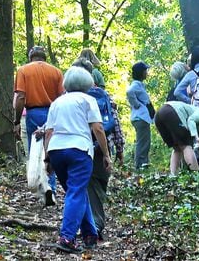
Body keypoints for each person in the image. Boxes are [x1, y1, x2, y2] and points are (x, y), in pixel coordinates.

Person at [43, 66, 112, 254]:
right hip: (79, 150)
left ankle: (90, 234)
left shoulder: (57, 102)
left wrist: (47, 158)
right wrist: (106, 155)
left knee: (77, 192)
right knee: (76, 192)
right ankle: (67, 237)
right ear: (87, 84)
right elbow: (98, 128)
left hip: (57, 150)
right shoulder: (88, 100)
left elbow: (49, 132)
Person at [73, 56, 125, 241]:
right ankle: (95, 224)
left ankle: (91, 225)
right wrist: (118, 149)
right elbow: (115, 123)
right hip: (104, 148)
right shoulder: (103, 95)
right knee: (98, 186)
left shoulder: (69, 98)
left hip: (80, 147)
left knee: (84, 187)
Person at [14, 45, 64, 202]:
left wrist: (16, 120)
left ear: (30, 57)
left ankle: (42, 188)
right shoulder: (56, 72)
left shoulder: (23, 70)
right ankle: (52, 188)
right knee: (51, 150)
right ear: (45, 57)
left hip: (33, 113)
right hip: (52, 112)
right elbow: (62, 97)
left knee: (35, 152)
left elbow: (21, 97)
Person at [154, 101, 199, 174]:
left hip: (159, 115)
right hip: (171, 111)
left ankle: (173, 176)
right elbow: (191, 120)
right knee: (186, 146)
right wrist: (196, 137)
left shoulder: (198, 126)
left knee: (177, 148)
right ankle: (196, 175)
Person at [126, 61, 153, 170]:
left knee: (144, 142)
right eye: (145, 70)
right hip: (140, 118)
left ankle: (142, 165)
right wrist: (135, 104)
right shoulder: (135, 85)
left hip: (141, 118)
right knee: (143, 143)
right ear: (141, 72)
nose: (147, 73)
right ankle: (141, 167)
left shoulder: (140, 85)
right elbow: (129, 92)